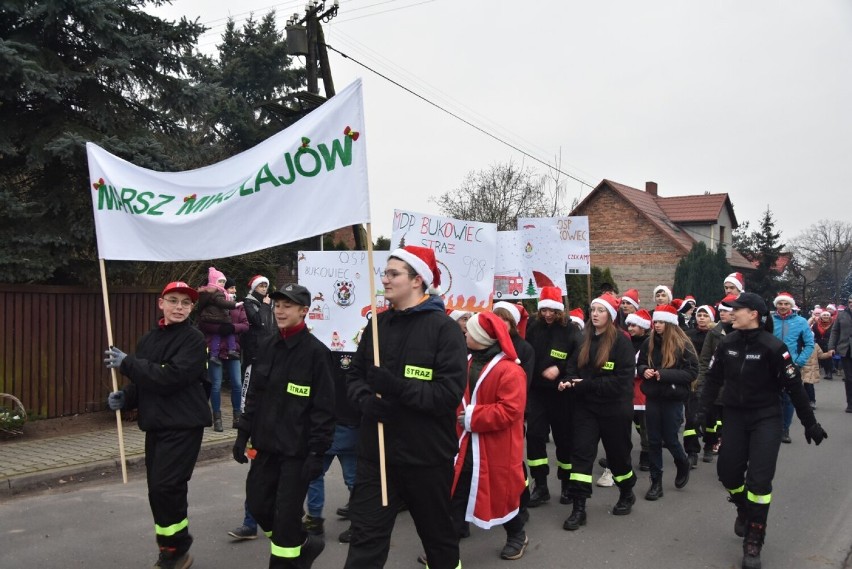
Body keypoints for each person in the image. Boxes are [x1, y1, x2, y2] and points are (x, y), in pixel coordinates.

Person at [344, 245, 466, 569]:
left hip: (426, 458)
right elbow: (354, 377)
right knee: (364, 542)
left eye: (393, 273)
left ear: (417, 280)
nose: (384, 279)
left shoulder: (446, 331)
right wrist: (365, 401)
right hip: (377, 457)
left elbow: (448, 395)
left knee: (438, 540)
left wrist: (396, 388)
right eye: (385, 273)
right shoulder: (377, 326)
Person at [698, 292, 827, 569]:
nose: (731, 313)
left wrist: (810, 424)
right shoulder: (727, 343)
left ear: (753, 313)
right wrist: (699, 413)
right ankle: (744, 509)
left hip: (766, 419)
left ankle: (754, 540)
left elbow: (794, 387)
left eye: (737, 309)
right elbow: (712, 380)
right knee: (728, 473)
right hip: (734, 416)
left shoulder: (773, 347)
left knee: (759, 483)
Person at [104, 281, 211, 569]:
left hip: (184, 424)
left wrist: (128, 364)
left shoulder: (194, 339)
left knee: (167, 487)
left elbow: (171, 378)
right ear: (160, 303)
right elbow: (145, 382)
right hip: (156, 425)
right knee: (158, 491)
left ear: (191, 308)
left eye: (185, 303)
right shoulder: (148, 340)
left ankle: (177, 550)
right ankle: (170, 547)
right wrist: (124, 397)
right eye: (173, 301)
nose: (179, 307)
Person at [232, 283, 336, 569]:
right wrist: (243, 434)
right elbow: (253, 394)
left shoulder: (317, 354)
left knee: (286, 515)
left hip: (297, 453)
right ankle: (303, 542)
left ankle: (288, 558)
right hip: (265, 447)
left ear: (304, 311)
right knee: (257, 504)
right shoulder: (266, 345)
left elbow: (324, 410)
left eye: (287, 305)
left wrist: (317, 453)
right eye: (277, 304)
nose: (280, 310)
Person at [451, 312, 529, 560]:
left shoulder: (510, 371)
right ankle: (445, 549)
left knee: (501, 494)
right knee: (456, 491)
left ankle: (517, 534)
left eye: (470, 331)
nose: (466, 333)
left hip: (496, 447)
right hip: (464, 444)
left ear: (482, 338)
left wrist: (472, 417)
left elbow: (510, 410)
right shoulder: (465, 362)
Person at [558, 293, 637, 530]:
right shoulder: (583, 339)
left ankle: (626, 492)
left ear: (611, 316)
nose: (594, 314)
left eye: (600, 310)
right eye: (592, 309)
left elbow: (621, 383)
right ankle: (578, 508)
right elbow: (572, 368)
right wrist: (568, 381)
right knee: (581, 455)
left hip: (615, 409)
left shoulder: (622, 342)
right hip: (586, 409)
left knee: (618, 456)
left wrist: (585, 384)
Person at [524, 285, 581, 507]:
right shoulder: (533, 327)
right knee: (535, 437)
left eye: (552, 310)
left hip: (561, 393)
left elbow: (579, 355)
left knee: (564, 439)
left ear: (560, 311)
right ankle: (541, 485)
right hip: (538, 392)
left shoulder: (571, 330)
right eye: (544, 310)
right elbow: (527, 352)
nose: (548, 314)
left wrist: (560, 368)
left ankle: (566, 484)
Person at [637, 305, 698, 500]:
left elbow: (691, 373)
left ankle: (682, 462)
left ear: (670, 323)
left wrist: (663, 374)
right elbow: (640, 363)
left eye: (662, 321)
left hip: (673, 398)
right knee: (654, 440)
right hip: (654, 396)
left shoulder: (683, 344)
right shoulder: (649, 342)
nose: (658, 325)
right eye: (656, 321)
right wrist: (644, 370)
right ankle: (656, 482)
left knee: (670, 438)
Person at [304, 350, 360, 544]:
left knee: (351, 477)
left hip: (344, 421)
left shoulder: (357, 344)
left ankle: (318, 520)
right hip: (329, 422)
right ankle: (316, 520)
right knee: (318, 474)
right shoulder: (318, 346)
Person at [198, 278, 248, 432]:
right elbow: (203, 323)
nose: (233, 291)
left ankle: (237, 416)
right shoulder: (213, 304)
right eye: (230, 288)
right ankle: (217, 418)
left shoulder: (238, 307)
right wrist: (219, 329)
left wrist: (232, 328)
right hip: (216, 350)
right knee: (216, 385)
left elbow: (245, 325)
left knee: (237, 384)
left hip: (233, 351)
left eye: (234, 288)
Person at [771, 292, 814, 443]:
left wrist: (798, 362)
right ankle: (771, 427)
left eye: (786, 304)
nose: (783, 306)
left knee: (789, 398)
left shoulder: (801, 321)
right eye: (780, 303)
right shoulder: (769, 320)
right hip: (770, 365)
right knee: (771, 397)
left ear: (791, 305)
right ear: (776, 304)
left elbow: (809, 344)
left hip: (791, 365)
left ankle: (784, 429)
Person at [684, 304, 716, 467]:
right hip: (692, 381)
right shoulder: (688, 335)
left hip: (711, 381)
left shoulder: (716, 335)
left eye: (705, 315)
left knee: (710, 418)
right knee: (691, 417)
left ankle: (709, 445)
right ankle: (691, 452)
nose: (701, 318)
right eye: (699, 315)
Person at [625, 309, 653, 472]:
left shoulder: (649, 344)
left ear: (643, 327)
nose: (630, 328)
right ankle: (622, 455)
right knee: (623, 425)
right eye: (629, 325)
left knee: (645, 426)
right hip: (626, 390)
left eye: (634, 325)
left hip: (642, 391)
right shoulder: (626, 342)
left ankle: (646, 454)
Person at [197, 267, 239, 365]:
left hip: (214, 320)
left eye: (223, 282)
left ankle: (214, 355)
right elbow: (222, 303)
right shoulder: (217, 293)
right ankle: (231, 350)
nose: (222, 284)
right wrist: (235, 304)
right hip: (218, 319)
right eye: (220, 281)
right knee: (227, 333)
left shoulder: (208, 294)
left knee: (217, 336)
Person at [827, 293, 852, 412]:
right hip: (845, 350)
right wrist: (831, 347)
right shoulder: (842, 315)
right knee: (849, 378)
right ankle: (850, 404)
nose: (851, 304)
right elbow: (835, 332)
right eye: (850, 302)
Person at [812, 310, 834, 380]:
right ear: (821, 316)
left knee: (829, 358)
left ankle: (829, 373)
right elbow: (812, 333)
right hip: (819, 343)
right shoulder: (816, 325)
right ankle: (826, 371)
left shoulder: (833, 324)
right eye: (824, 315)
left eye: (827, 315)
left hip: (829, 343)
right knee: (822, 358)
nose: (826, 316)